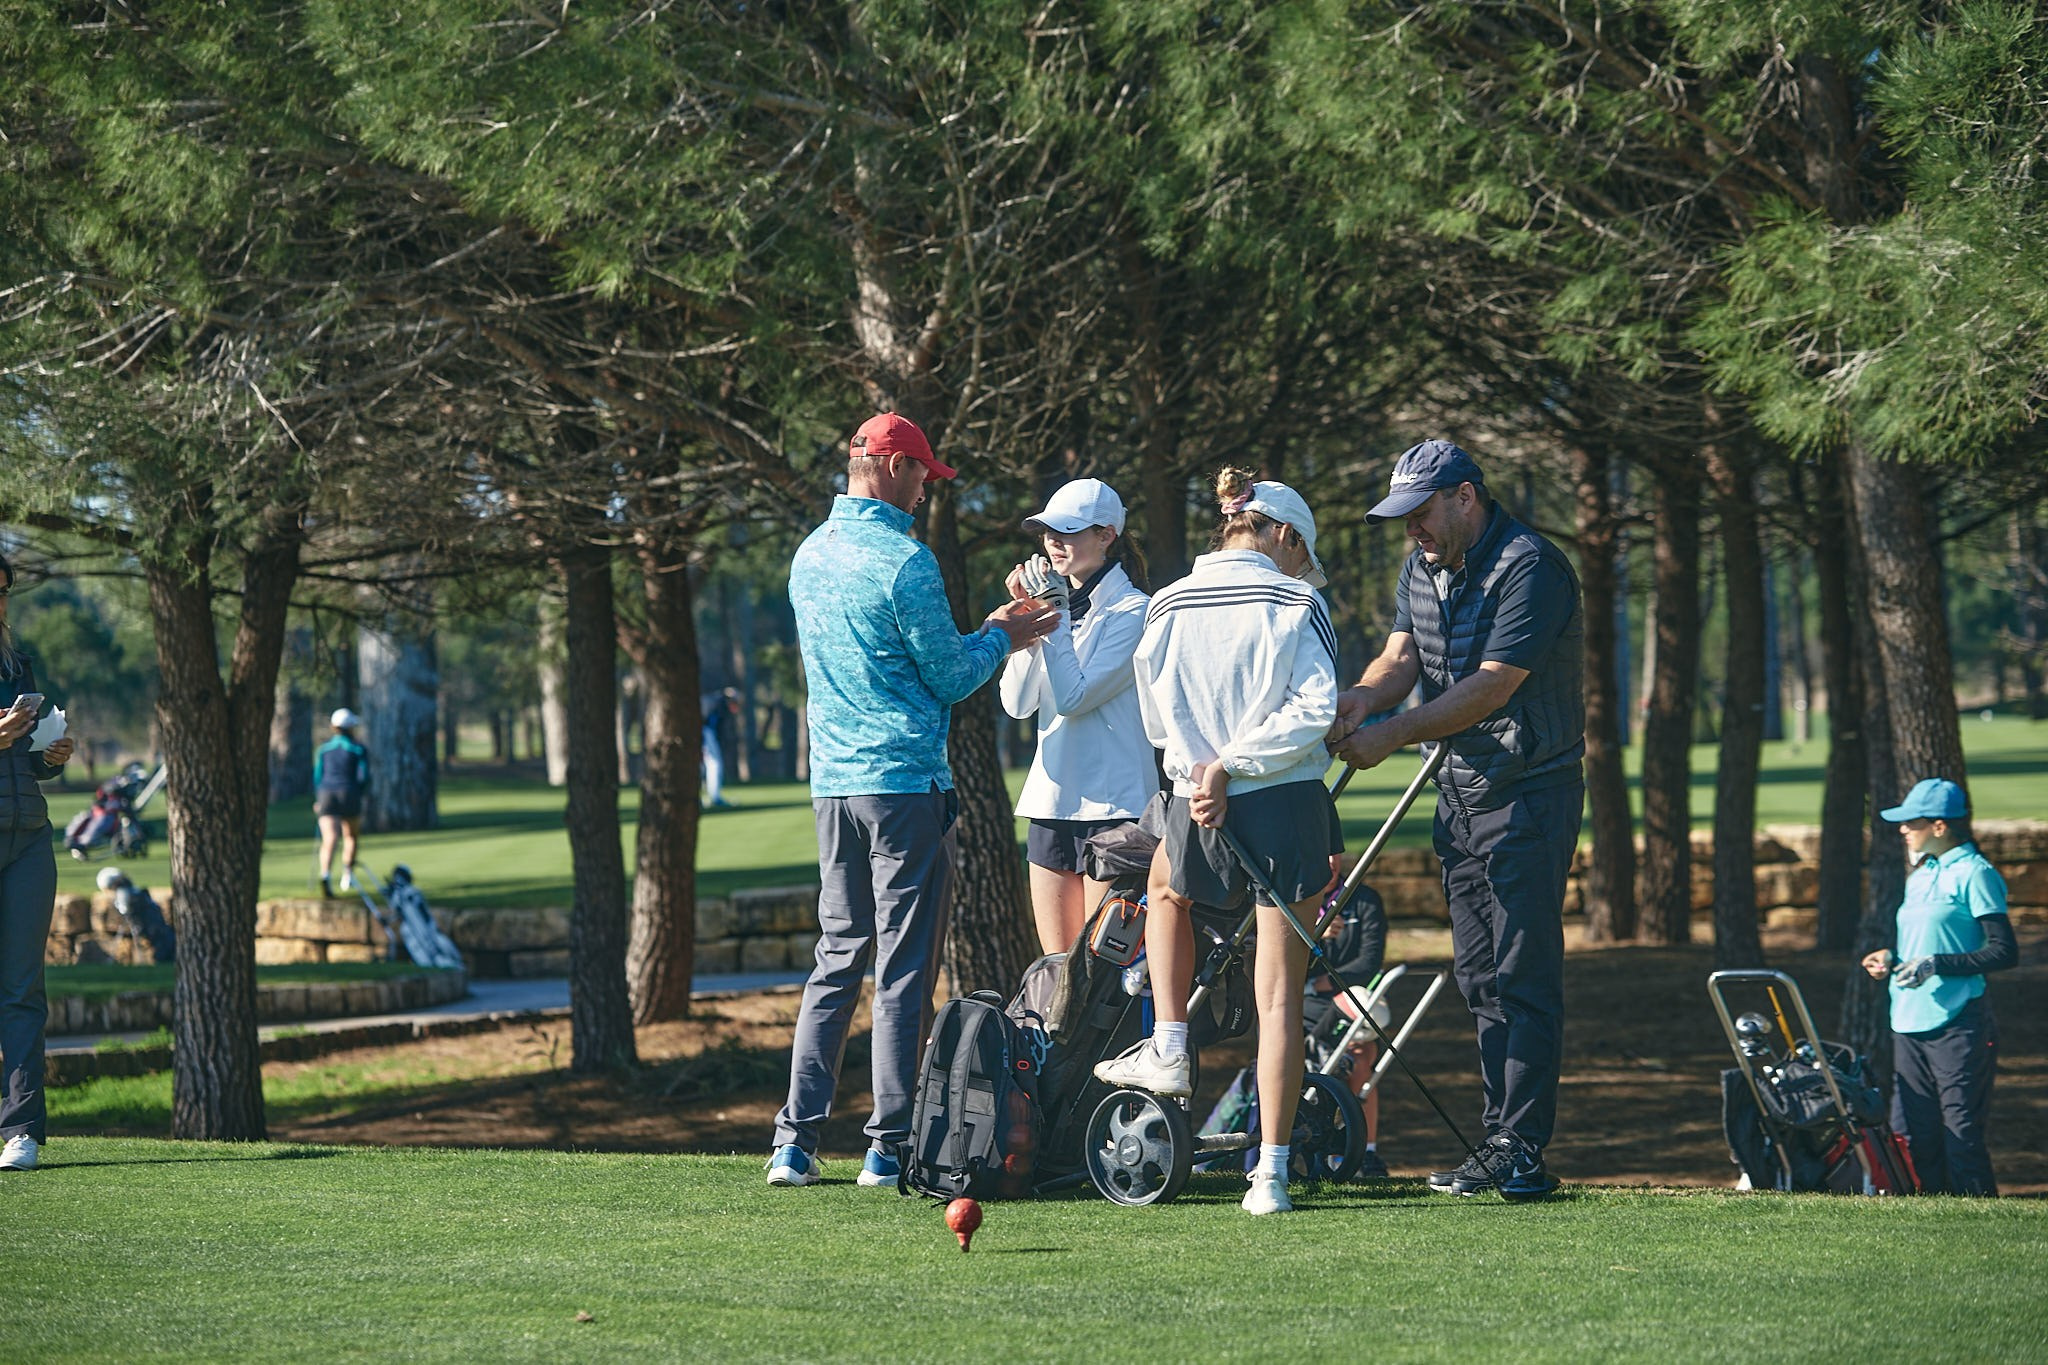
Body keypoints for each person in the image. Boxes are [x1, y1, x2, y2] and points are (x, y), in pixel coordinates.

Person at [768, 412, 1058, 1189]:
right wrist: (1004, 634)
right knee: (900, 968)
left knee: (837, 957)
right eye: (923, 471)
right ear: (891, 466)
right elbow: (951, 676)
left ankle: (793, 1141)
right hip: (904, 787)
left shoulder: (808, 556)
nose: (928, 485)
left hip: (834, 784)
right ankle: (885, 1146)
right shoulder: (907, 562)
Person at [1331, 439, 1583, 1203]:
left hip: (1528, 792)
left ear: (1465, 496)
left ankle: (1523, 1147)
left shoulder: (1530, 566)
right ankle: (1499, 1138)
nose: (1412, 530)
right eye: (1402, 517)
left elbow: (1491, 687)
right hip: (1461, 791)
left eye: (1422, 512)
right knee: (1478, 975)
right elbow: (1401, 655)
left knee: (1521, 972)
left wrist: (1396, 732)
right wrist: (1365, 698)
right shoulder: (1424, 565)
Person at [1094, 467, 1343, 1216]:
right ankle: (1267, 1174)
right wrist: (1233, 765)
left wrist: (1204, 774)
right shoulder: (1299, 599)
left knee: (1167, 886)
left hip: (1195, 801)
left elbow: (1158, 718)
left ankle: (1170, 1038)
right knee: (1278, 997)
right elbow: (1317, 709)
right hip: (1282, 804)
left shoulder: (1167, 601)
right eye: (1303, 552)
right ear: (1284, 536)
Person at [998, 478, 1157, 955]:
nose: (1053, 543)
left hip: (1116, 809)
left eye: (1068, 532)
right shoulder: (1058, 606)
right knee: (1056, 968)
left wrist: (1056, 614)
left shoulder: (1135, 611)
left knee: (1103, 975)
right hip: (1051, 803)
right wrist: (1031, 617)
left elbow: (1074, 698)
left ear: (1106, 536)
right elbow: (1017, 703)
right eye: (1048, 532)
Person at [1860, 778, 2014, 1196]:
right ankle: (1930, 1218)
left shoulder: (1975, 873)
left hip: (1958, 1023)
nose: (1903, 829)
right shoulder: (1920, 875)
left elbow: (2003, 951)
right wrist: (1892, 958)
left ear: (1941, 826)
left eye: (1913, 822)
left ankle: (1982, 1225)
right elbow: (1923, 941)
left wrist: (1936, 965)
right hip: (1907, 1023)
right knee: (1914, 1135)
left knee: (1959, 1134)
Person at [0, 554, 76, 1173]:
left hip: (28, 840)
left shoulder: (15, 666)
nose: (0, 603)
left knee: (23, 990)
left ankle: (20, 1129)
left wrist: (52, 754)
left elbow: (25, 765)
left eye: (3, 592)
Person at [313, 709, 369, 899]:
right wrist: (361, 794)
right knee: (350, 836)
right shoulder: (358, 749)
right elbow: (363, 776)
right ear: (351, 727)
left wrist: (318, 799)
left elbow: (318, 776)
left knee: (329, 838)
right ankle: (347, 875)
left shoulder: (324, 749)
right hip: (349, 793)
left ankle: (325, 874)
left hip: (326, 794)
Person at [701, 686, 740, 810]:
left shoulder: (717, 702)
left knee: (709, 766)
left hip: (705, 734)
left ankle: (712, 796)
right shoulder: (718, 703)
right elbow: (709, 724)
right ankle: (714, 797)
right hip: (705, 733)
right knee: (714, 765)